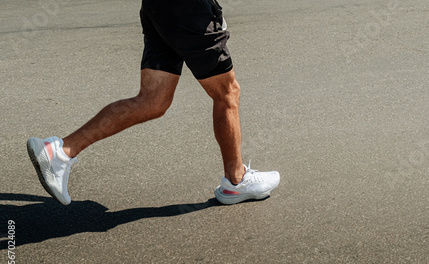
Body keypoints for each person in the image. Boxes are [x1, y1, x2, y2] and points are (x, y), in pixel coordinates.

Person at [27, 0, 279, 206]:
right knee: (227, 93)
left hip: (159, 8)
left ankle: (60, 151)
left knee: (153, 101)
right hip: (190, 12)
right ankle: (236, 181)